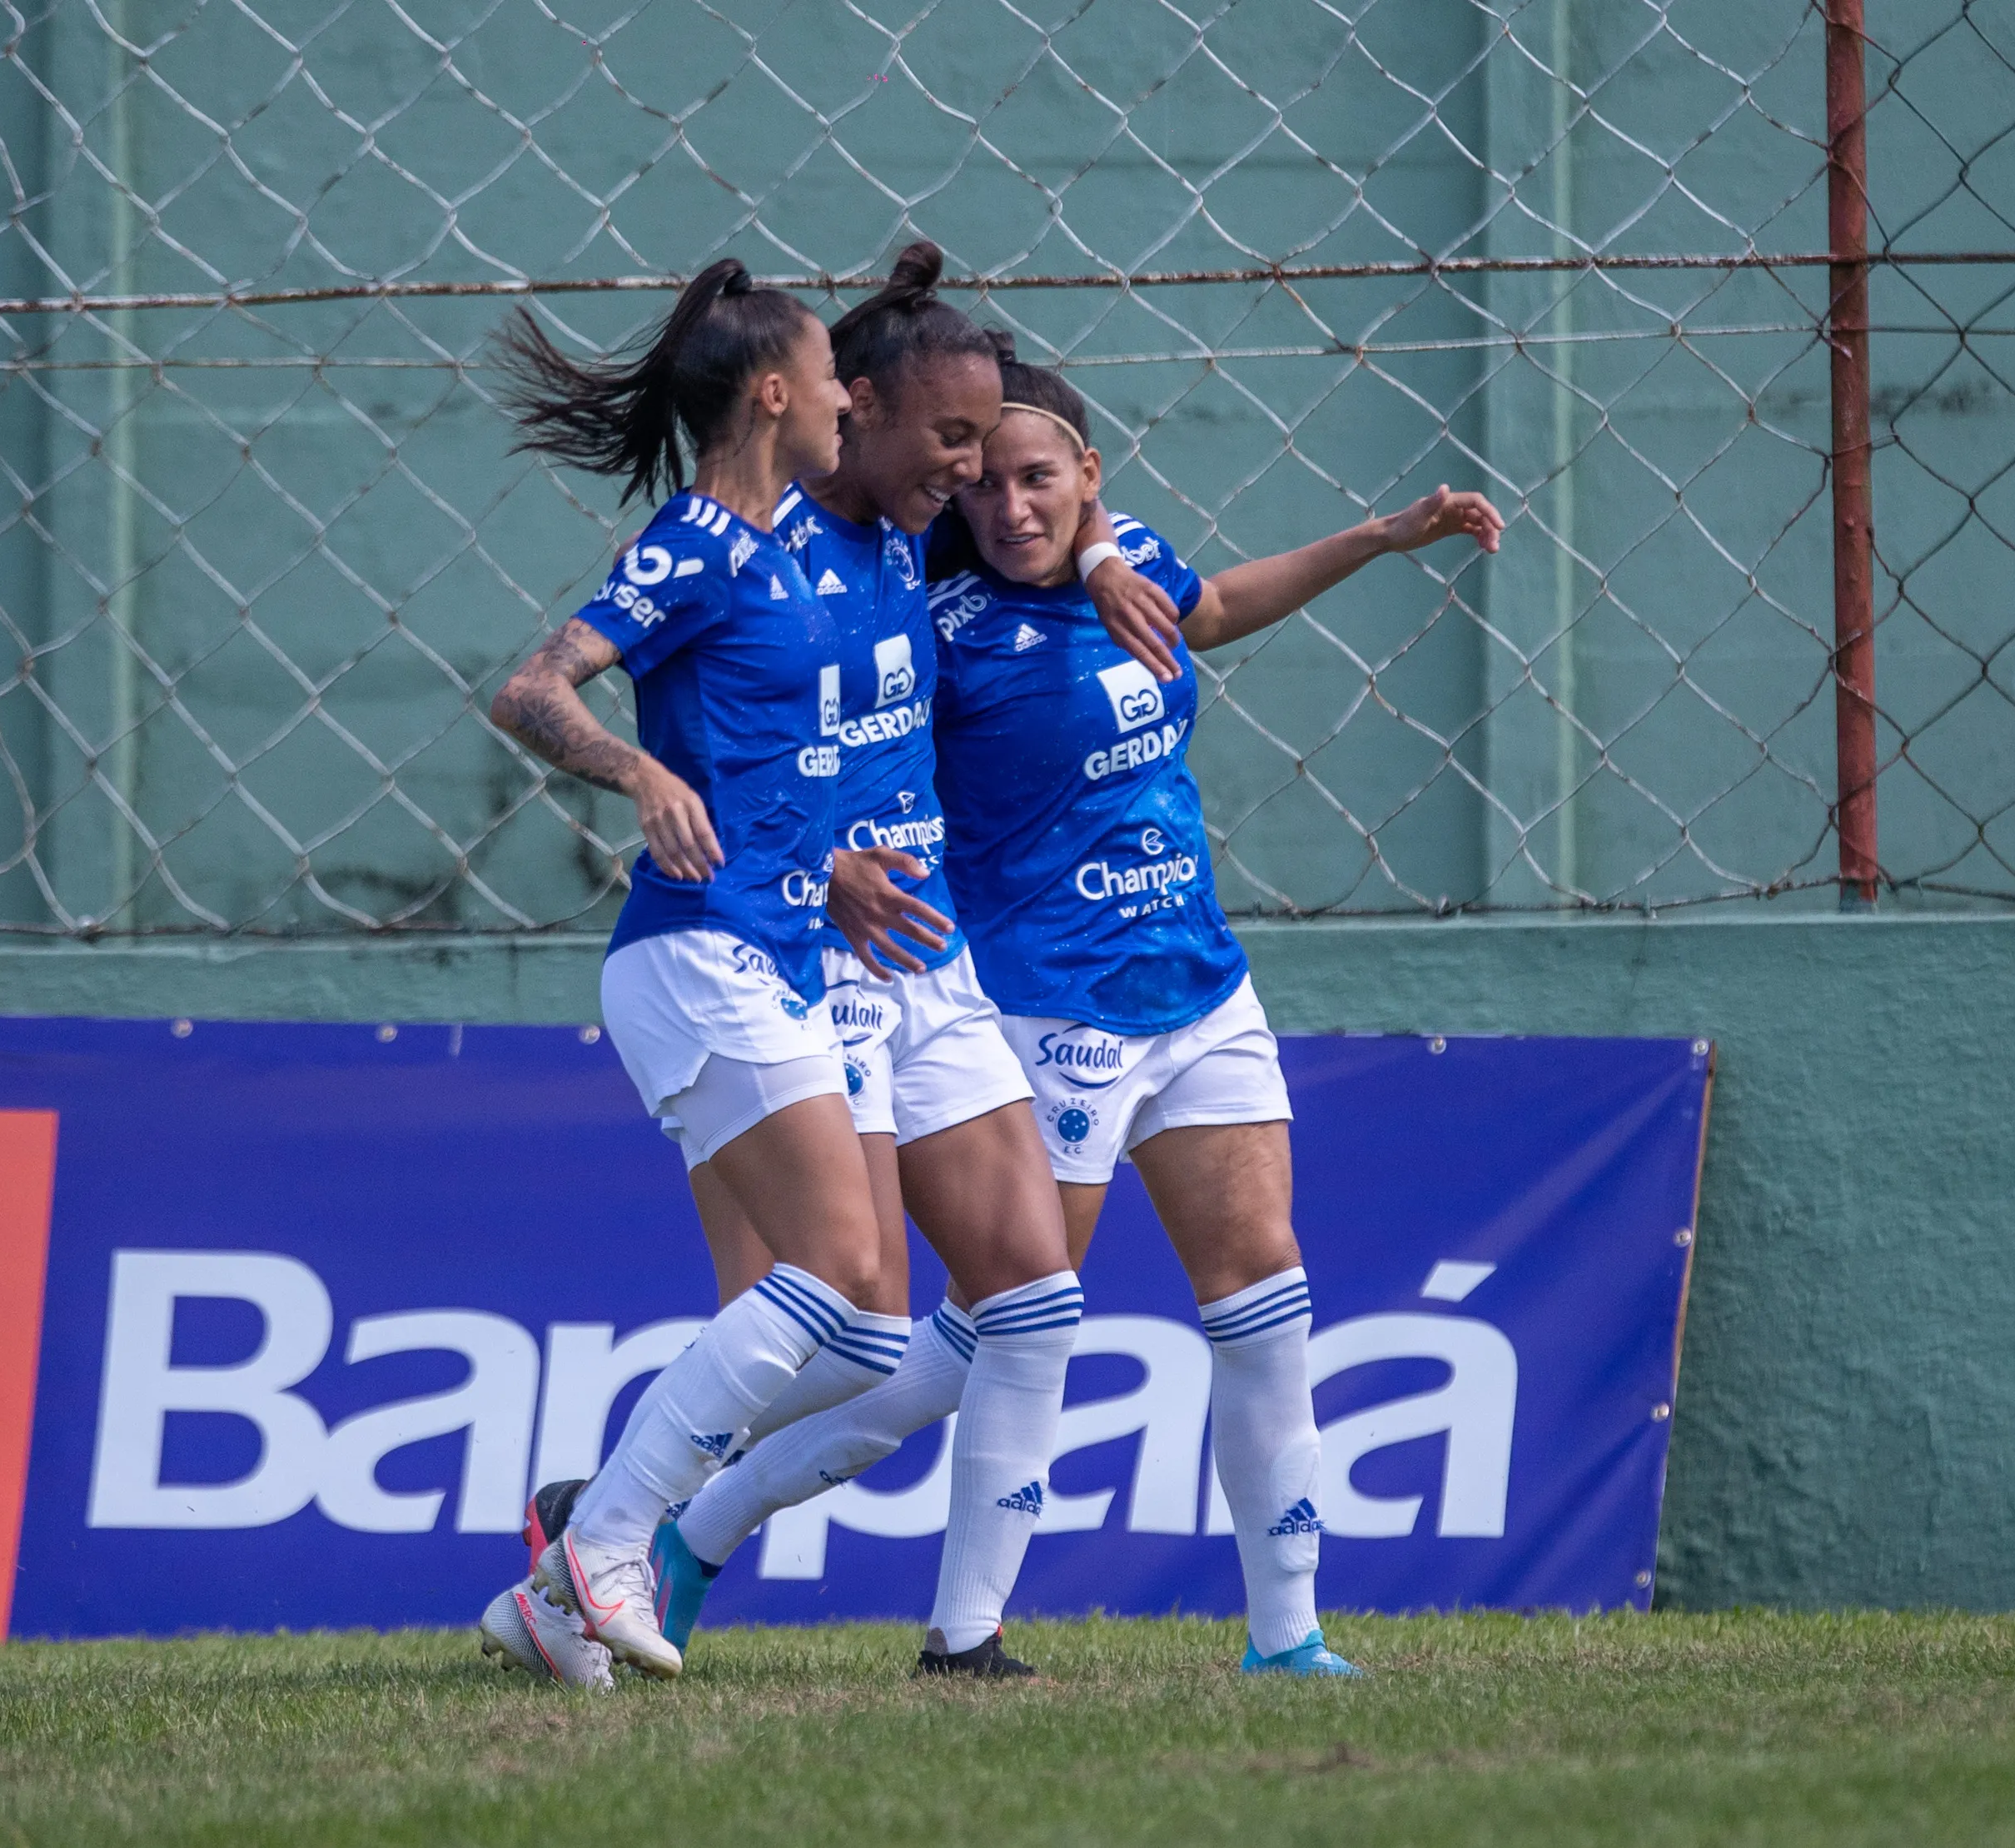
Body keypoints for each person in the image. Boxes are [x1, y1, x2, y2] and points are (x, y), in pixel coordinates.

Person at [603, 336, 1503, 1677]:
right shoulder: (938, 607)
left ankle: (1287, 1636)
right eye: (977, 482)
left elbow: (1209, 608)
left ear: (1088, 472)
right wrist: (822, 865)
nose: (1004, 503)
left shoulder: (1122, 551)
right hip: (1041, 1006)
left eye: (1035, 478)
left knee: (1265, 1294)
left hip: (1197, 983)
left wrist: (1375, 538)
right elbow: (833, 728)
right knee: (983, 1330)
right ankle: (719, 1531)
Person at [502, 245, 1179, 1682]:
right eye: (952, 443)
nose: (982, 476)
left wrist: (1108, 545)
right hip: (787, 954)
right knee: (841, 1303)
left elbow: (1050, 487)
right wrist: (796, 857)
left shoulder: (912, 523)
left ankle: (956, 1638)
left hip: (915, 952)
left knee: (1020, 1299)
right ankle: (614, 1535)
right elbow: (571, 689)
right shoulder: (741, 540)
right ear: (834, 408)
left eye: (990, 449)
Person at [472, 260, 909, 1686]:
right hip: (696, 953)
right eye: (831, 377)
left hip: (769, 951)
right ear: (774, 394)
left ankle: (560, 1572)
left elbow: (763, 752)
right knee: (841, 1278)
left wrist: (825, 864)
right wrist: (637, 765)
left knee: (858, 1336)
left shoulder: (779, 546)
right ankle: (607, 1539)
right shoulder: (703, 542)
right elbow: (533, 687)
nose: (852, 395)